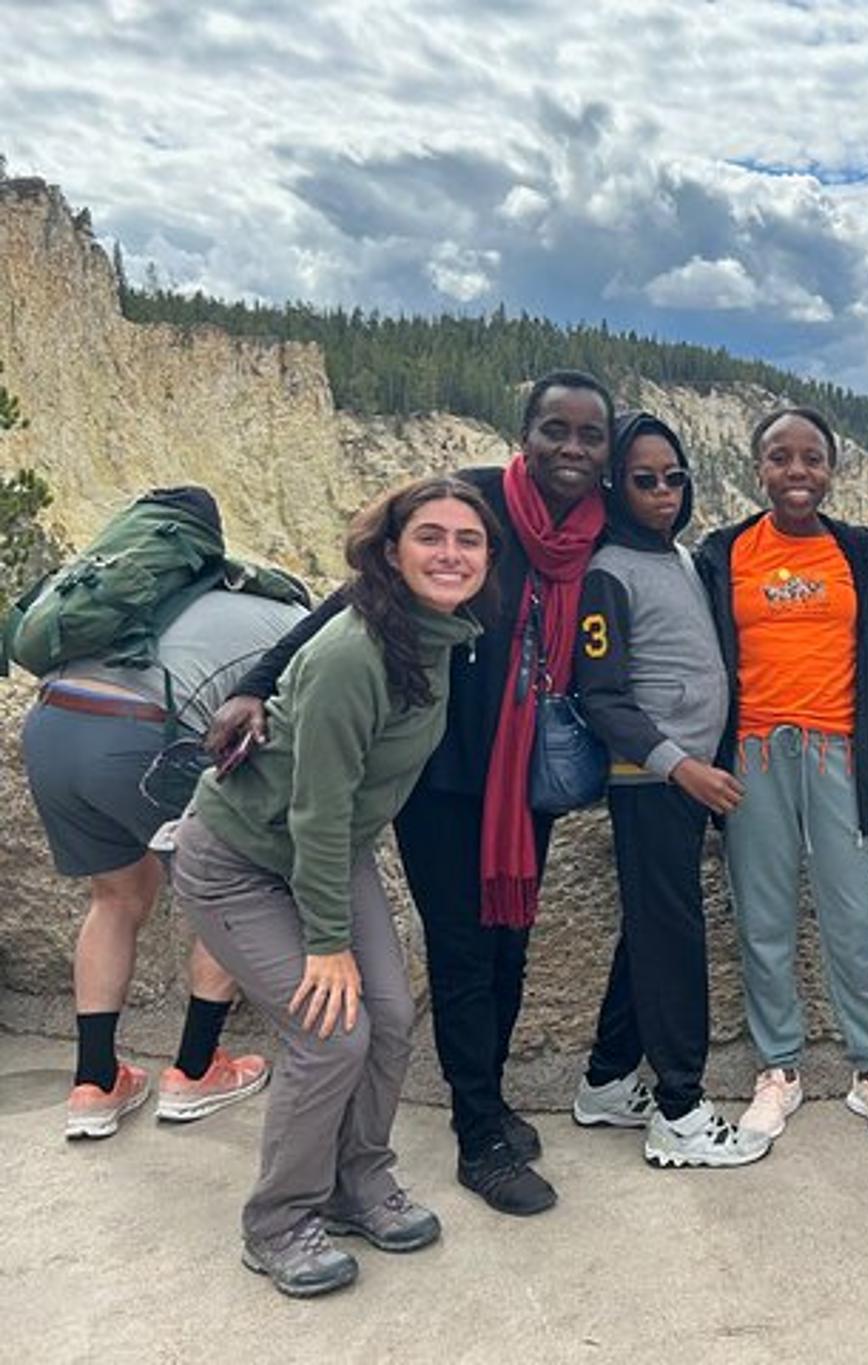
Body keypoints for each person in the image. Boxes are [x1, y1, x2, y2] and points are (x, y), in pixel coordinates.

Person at [209, 370, 614, 1215]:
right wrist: (257, 680)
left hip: (524, 781)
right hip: (440, 776)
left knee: (511, 948)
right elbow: (358, 598)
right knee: (465, 952)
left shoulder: (591, 529)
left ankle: (490, 1097)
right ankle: (476, 1133)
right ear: (525, 434)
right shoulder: (471, 506)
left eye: (589, 435)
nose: (572, 448)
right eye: (555, 430)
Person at [171, 477, 495, 1296]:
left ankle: (358, 1181)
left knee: (387, 1015)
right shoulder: (357, 652)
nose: (451, 553)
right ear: (391, 551)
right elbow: (316, 808)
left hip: (325, 851)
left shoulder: (435, 635)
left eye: (469, 539)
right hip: (242, 859)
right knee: (331, 1032)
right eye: (431, 536)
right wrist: (326, 943)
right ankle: (278, 1221)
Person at [20, 488, 303, 1141]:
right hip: (140, 738)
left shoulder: (113, 597)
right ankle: (197, 1067)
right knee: (231, 886)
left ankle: (94, 1083)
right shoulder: (267, 606)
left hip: (52, 725)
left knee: (116, 896)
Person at [697, 407, 868, 1142]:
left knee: (850, 915)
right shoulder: (725, 552)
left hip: (839, 752)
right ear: (757, 466)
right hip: (753, 754)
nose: (798, 472)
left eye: (812, 458)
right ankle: (779, 1069)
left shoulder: (858, 553)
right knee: (764, 920)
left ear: (831, 467)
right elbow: (702, 664)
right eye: (780, 457)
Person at [570, 410, 767, 1169]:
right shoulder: (608, 572)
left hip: (690, 777)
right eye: (644, 479)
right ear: (615, 486)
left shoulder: (679, 557)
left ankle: (608, 1079)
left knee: (651, 930)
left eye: (674, 478)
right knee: (674, 940)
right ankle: (680, 1111)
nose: (662, 491)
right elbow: (602, 694)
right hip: (650, 780)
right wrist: (678, 764)